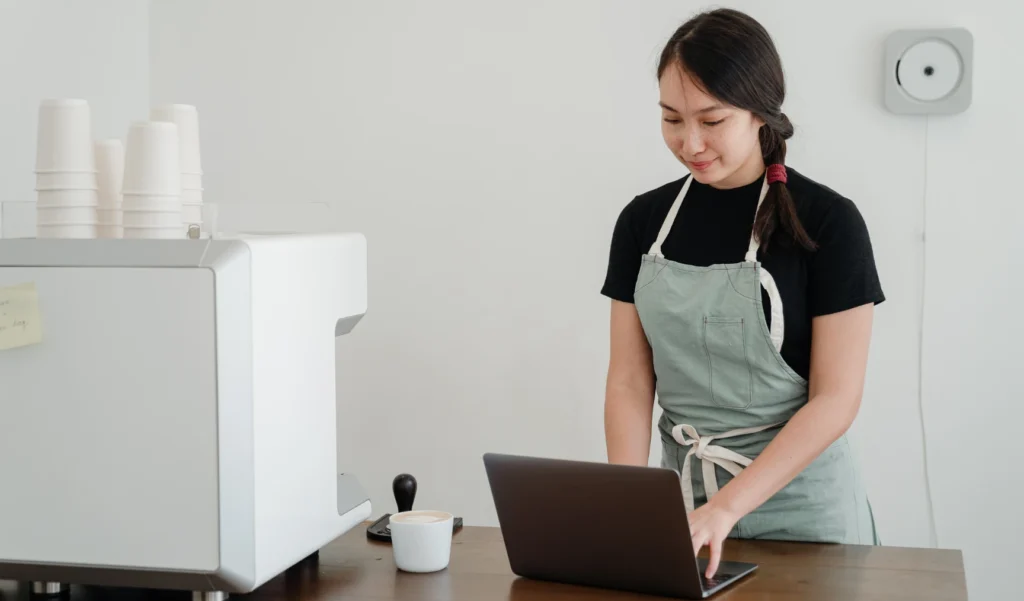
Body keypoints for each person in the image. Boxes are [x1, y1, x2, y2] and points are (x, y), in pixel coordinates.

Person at [601, 8, 885, 579]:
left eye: (712, 120)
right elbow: (631, 379)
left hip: (804, 516)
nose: (690, 142)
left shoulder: (828, 223)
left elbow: (836, 399)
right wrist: (631, 501)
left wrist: (727, 507)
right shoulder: (643, 223)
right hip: (684, 507)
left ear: (760, 112)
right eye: (671, 119)